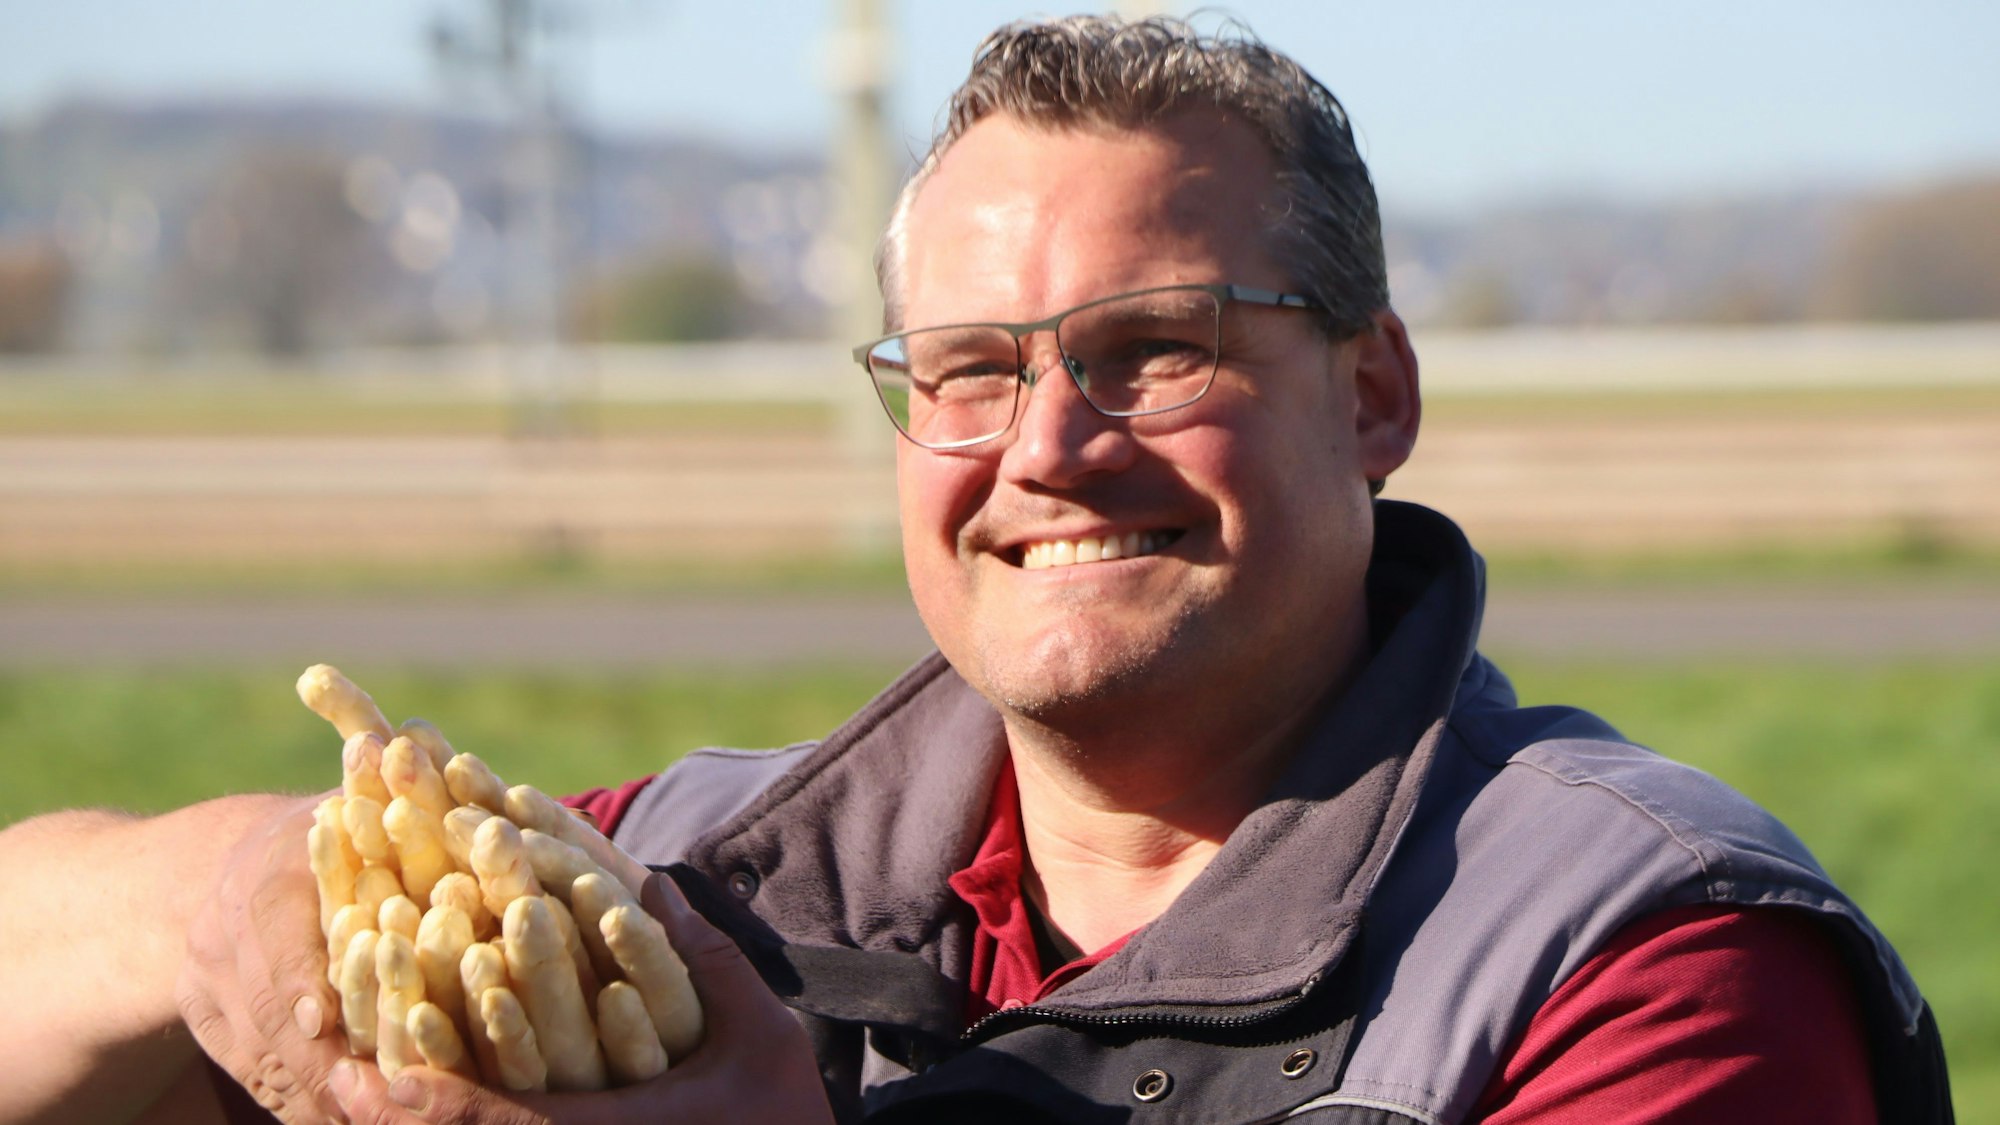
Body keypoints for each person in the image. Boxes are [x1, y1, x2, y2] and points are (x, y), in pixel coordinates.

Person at [0, 15, 1952, 1125]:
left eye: (1154, 349)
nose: (1044, 446)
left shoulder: (1640, 958)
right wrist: (234, 895)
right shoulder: (689, 877)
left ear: (1372, 394)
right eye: (966, 371)